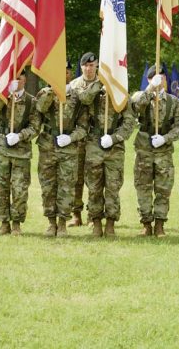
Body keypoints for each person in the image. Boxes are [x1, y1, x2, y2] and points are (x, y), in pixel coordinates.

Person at [131, 65, 179, 237]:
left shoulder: (173, 102)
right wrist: (150, 88)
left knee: (163, 189)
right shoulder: (140, 96)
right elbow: (136, 107)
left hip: (163, 150)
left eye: (162, 76)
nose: (159, 79)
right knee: (143, 187)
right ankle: (146, 223)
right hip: (144, 150)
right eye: (155, 77)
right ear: (148, 79)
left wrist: (166, 138)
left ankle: (160, 224)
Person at [77, 78, 135, 238]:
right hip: (94, 144)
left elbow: (129, 123)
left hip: (114, 147)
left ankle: (110, 223)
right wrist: (98, 84)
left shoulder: (122, 95)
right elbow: (83, 99)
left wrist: (115, 138)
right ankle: (95, 222)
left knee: (113, 187)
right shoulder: (93, 93)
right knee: (94, 187)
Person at [0, 70, 41, 236]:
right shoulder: (0, 98)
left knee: (19, 189)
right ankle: (4, 222)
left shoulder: (32, 101)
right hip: (1, 149)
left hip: (21, 151)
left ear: (25, 80)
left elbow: (35, 127)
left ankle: (16, 223)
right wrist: (5, 94)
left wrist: (20, 136)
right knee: (1, 188)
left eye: (20, 78)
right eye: (13, 78)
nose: (16, 81)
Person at [35, 80, 88, 237]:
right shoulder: (44, 94)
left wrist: (71, 138)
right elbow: (40, 108)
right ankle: (51, 223)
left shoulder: (77, 97)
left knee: (67, 187)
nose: (61, 74)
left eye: (66, 71)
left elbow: (84, 128)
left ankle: (63, 223)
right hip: (47, 147)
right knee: (48, 186)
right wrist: (51, 91)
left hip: (69, 149)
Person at [68, 51, 98, 227]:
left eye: (92, 65)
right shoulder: (74, 85)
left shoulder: (106, 84)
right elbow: (85, 99)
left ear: (96, 67)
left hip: (96, 137)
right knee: (76, 177)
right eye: (85, 65)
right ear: (81, 67)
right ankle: (76, 214)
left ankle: (93, 216)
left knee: (94, 178)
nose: (88, 68)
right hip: (78, 137)